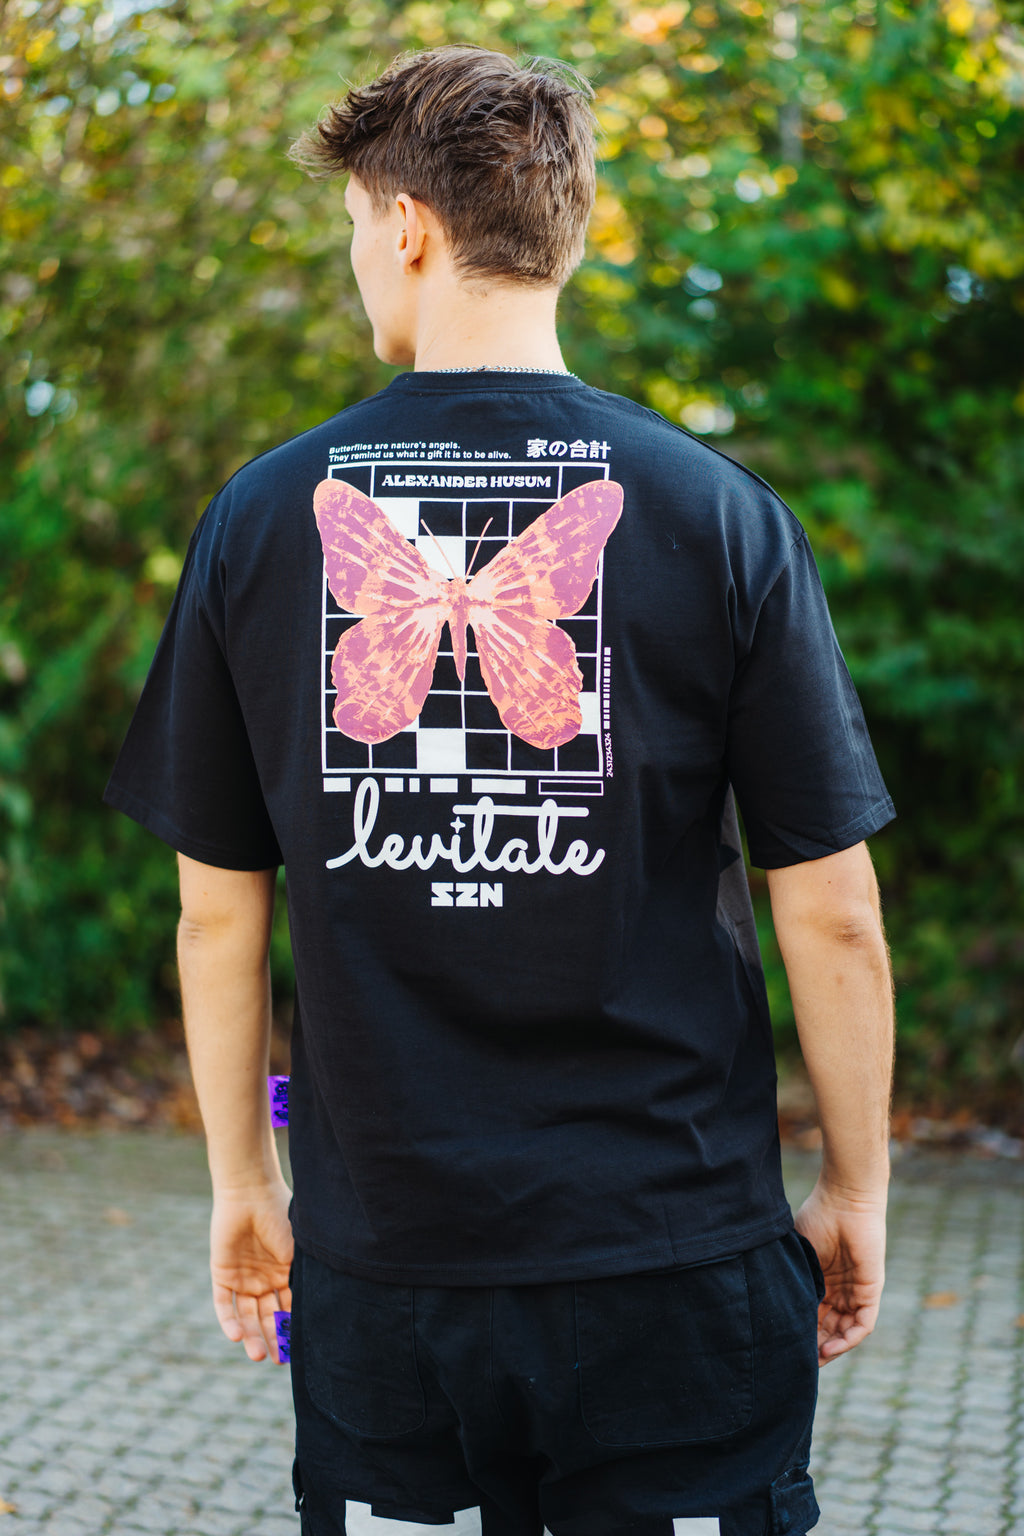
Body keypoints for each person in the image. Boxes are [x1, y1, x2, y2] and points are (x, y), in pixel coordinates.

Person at [104, 44, 895, 1536]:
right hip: (675, 1259)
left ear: (408, 225)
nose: (358, 258)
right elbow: (834, 913)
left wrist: (245, 1184)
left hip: (389, 1273)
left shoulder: (261, 519)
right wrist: (856, 1191)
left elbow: (218, 917)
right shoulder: (722, 514)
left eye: (354, 225)